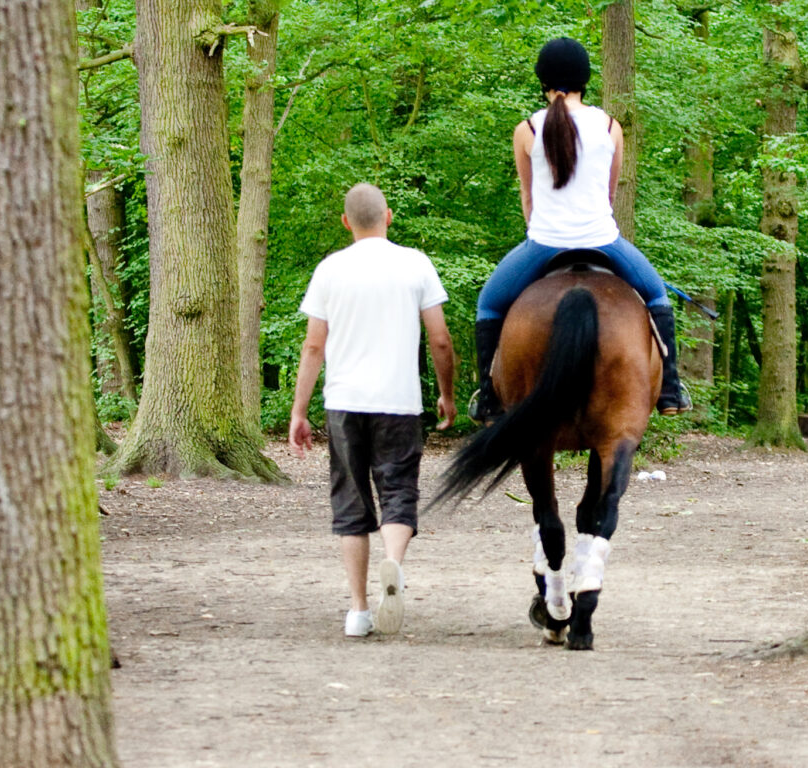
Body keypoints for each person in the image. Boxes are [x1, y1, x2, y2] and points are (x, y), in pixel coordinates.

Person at [470, 37, 687, 421]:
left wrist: (544, 229)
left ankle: (488, 398)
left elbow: (528, 197)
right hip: (603, 240)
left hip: (543, 243)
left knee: (489, 304)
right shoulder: (609, 126)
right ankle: (670, 390)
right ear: (586, 79)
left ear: (544, 80)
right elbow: (608, 192)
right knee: (657, 297)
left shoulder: (527, 130)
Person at [288, 183, 458, 639]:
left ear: (347, 222)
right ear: (388, 216)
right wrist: (447, 393)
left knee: (351, 501)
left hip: (344, 401)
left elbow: (313, 345)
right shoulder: (415, 264)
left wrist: (299, 411)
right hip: (399, 402)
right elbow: (440, 339)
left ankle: (359, 611)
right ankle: (394, 565)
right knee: (399, 490)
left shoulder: (330, 270)